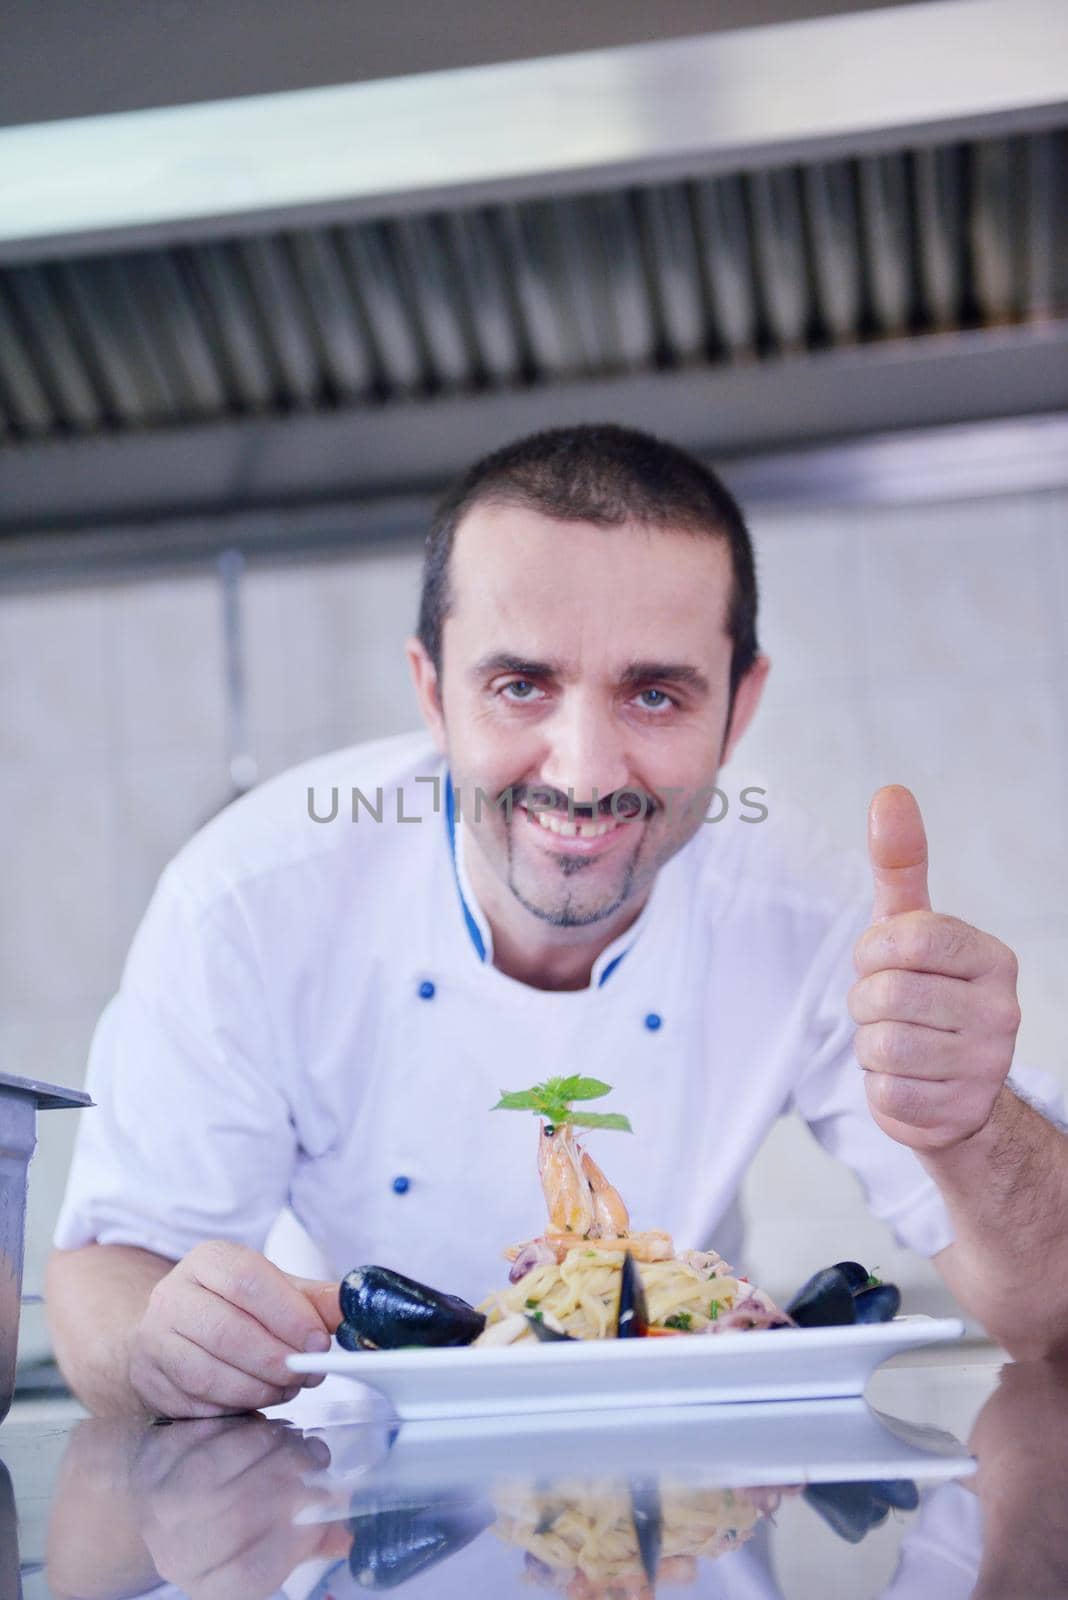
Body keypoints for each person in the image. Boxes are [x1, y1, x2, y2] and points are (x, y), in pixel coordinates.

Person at [47, 424, 1068, 1419]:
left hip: (687, 1471)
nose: (583, 772)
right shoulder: (249, 898)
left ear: (739, 707)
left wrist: (975, 1127)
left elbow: (1050, 1314)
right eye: (520, 685)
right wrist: (156, 1346)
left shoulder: (805, 909)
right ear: (432, 692)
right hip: (353, 1479)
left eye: (656, 694)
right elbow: (108, 1269)